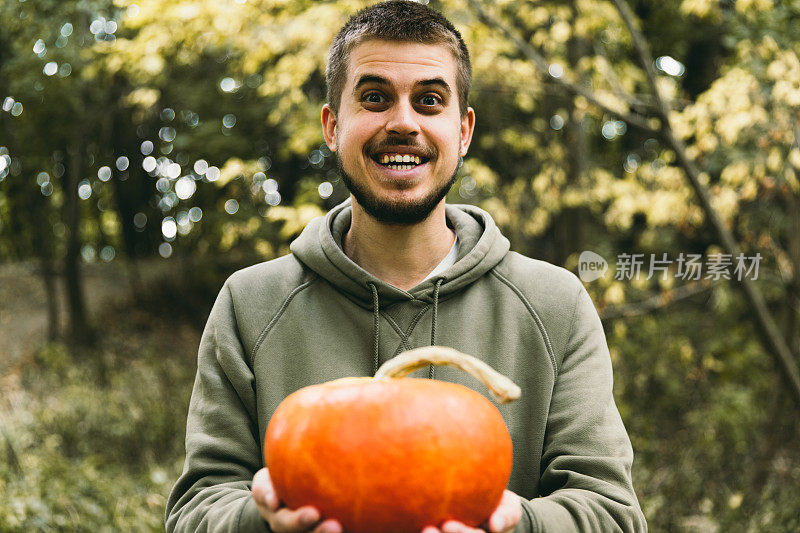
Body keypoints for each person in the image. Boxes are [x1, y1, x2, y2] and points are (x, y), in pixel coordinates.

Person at [165, 1, 647, 532]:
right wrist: (262, 523)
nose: (402, 123)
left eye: (429, 100)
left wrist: (519, 525)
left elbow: (613, 514)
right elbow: (195, 511)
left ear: (463, 131)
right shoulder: (250, 304)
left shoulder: (556, 304)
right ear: (332, 125)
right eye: (374, 98)